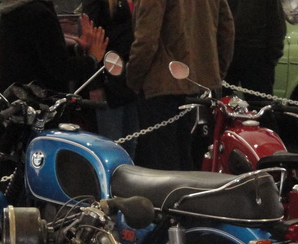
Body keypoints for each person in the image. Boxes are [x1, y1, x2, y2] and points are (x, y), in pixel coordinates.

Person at [126, 0, 235, 171]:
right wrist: (215, 72)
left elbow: (146, 40)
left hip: (162, 86)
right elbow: (227, 31)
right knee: (191, 163)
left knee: (161, 167)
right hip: (199, 86)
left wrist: (132, 79)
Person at [0, 2, 106, 94]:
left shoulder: (10, 11)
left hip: (17, 96)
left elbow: (41, 55)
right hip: (40, 100)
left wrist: (77, 49)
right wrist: (92, 59)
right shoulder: (40, 15)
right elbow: (60, 68)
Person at [83, 0, 138, 158]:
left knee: (132, 142)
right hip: (107, 77)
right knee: (112, 144)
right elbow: (90, 40)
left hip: (131, 77)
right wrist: (94, 85)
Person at [224, 0, 286, 98]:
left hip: (231, 51)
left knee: (221, 101)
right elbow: (277, 24)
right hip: (257, 53)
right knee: (258, 101)